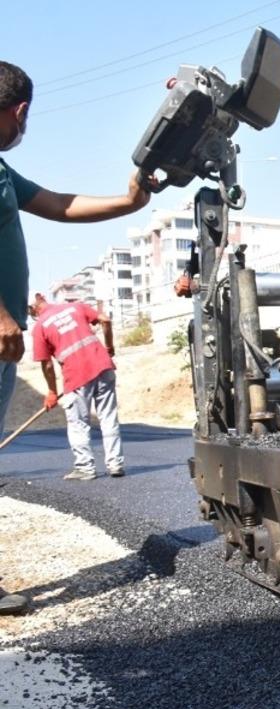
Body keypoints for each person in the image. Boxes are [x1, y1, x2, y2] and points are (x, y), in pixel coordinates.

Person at [0, 61, 154, 616]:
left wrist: (128, 202)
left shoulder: (1, 172)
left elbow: (59, 205)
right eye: (26, 119)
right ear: (20, 112)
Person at [29, 294, 124, 481]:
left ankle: (85, 468)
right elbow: (105, 320)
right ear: (42, 297)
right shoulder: (76, 307)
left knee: (78, 423)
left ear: (32, 309)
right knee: (108, 417)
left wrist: (51, 392)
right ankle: (116, 464)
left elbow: (46, 364)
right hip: (102, 365)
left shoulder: (40, 327)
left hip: (77, 375)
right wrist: (109, 346)